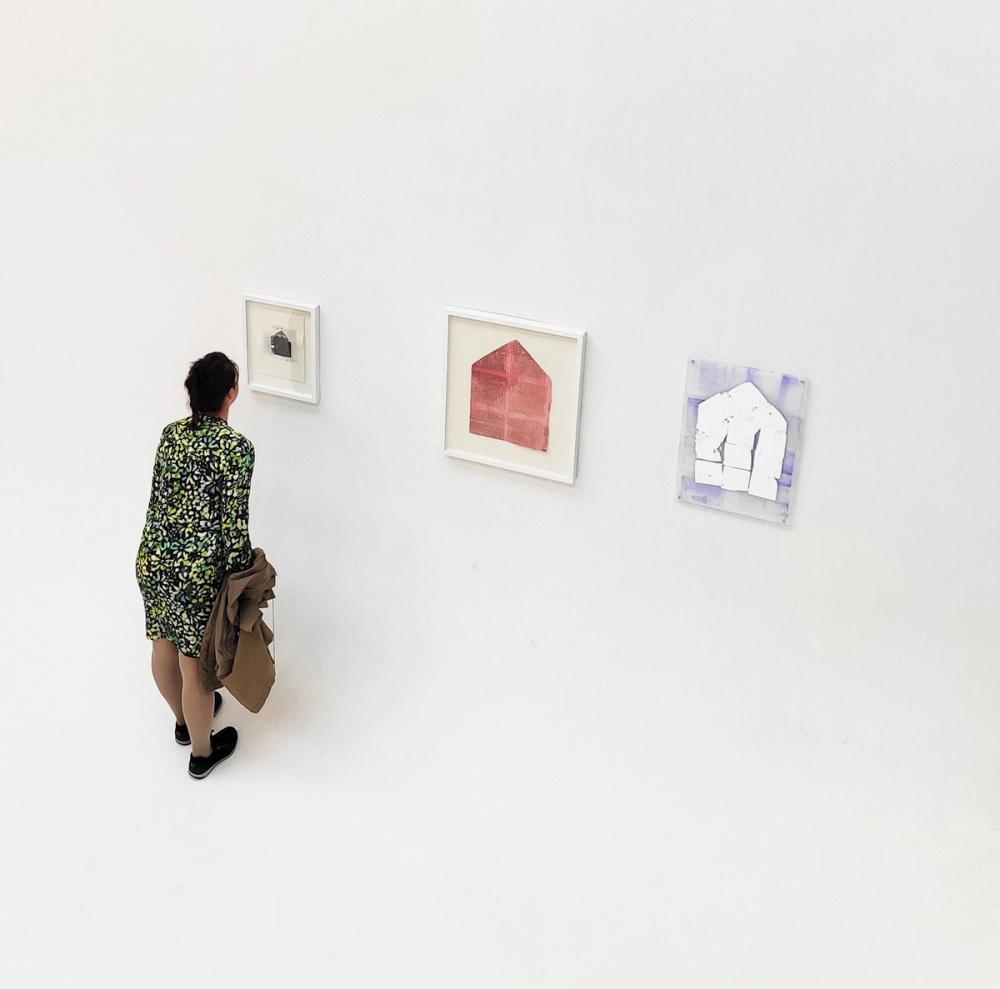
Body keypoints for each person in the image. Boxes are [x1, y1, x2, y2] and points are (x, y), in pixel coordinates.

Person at [136, 352, 255, 779]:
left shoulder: (170, 435)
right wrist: (243, 574)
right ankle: (202, 754)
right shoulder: (236, 448)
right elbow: (233, 523)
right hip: (196, 573)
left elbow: (157, 501)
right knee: (194, 665)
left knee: (161, 643)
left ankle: (185, 724)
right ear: (230, 393)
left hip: (153, 559)